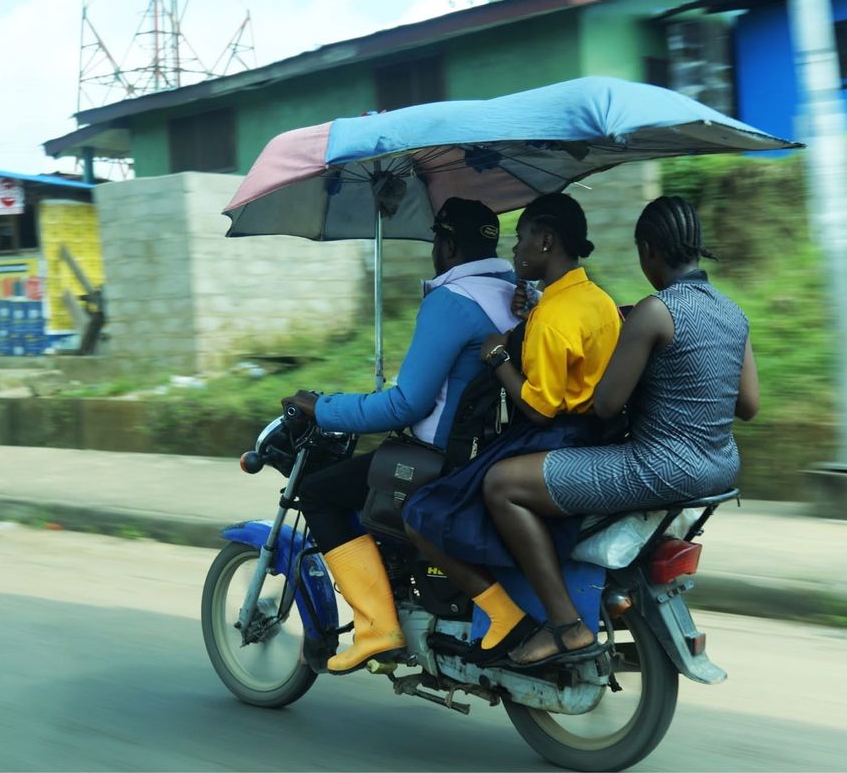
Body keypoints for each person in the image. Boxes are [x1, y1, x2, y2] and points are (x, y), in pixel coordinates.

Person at [482, 195, 760, 667]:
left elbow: (608, 402)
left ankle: (566, 626)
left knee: (501, 485)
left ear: (648, 251)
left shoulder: (655, 311)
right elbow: (749, 406)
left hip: (659, 466)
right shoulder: (731, 311)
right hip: (719, 466)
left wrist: (634, 343)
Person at [280, 197, 520, 674]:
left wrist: (322, 407)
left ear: (447, 244)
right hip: (492, 451)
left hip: (438, 459)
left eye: (437, 241)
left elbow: (406, 403)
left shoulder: (453, 303)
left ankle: (376, 627)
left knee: (319, 492)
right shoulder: (518, 293)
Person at [401, 192, 621, 665]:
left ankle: (534, 620)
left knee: (425, 511)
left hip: (551, 433)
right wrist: (528, 319)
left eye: (521, 239)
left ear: (545, 241)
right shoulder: (593, 299)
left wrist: (499, 357)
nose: (514, 251)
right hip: (591, 433)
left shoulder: (554, 317)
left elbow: (540, 408)